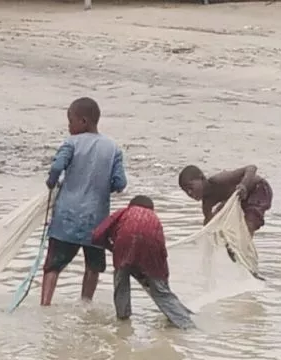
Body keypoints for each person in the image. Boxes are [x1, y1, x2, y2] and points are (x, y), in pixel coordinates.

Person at [40, 97, 127, 306]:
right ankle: (85, 304)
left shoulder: (71, 143)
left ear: (84, 121)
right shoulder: (113, 148)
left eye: (71, 121)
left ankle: (45, 305)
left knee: (52, 266)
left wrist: (52, 183)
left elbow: (56, 167)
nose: (69, 126)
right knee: (93, 266)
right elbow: (120, 183)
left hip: (66, 219)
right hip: (96, 221)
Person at [92, 195, 195, 329]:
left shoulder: (124, 212)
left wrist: (112, 248)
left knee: (121, 282)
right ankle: (186, 324)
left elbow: (96, 235)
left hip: (124, 243)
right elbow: (162, 252)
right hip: (151, 247)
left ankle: (123, 320)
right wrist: (162, 279)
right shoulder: (154, 219)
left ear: (131, 205)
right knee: (160, 290)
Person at [177, 164, 272, 278]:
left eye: (191, 188)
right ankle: (240, 256)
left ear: (201, 178)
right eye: (186, 192)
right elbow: (208, 228)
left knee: (247, 227)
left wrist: (243, 185)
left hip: (258, 190)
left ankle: (250, 266)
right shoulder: (207, 204)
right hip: (238, 200)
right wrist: (206, 260)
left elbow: (251, 168)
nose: (190, 194)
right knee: (224, 227)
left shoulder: (219, 180)